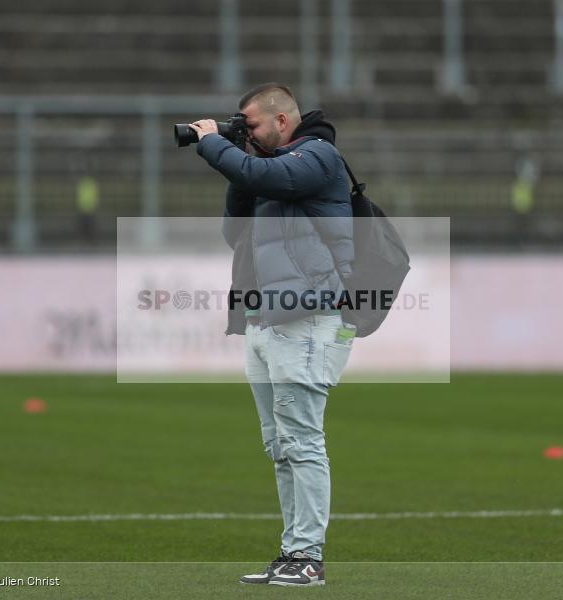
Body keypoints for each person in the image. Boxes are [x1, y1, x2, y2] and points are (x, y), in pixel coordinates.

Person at [189, 83, 354, 587]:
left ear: (283, 121)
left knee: (302, 440)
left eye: (252, 125)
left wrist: (216, 146)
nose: (247, 133)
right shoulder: (268, 172)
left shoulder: (318, 156)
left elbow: (270, 177)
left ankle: (309, 557)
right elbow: (233, 230)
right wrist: (236, 157)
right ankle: (291, 552)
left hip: (307, 319)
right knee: (280, 444)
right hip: (265, 321)